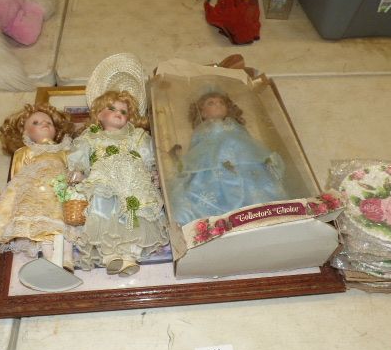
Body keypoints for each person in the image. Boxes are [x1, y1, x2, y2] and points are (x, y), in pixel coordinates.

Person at [67, 90, 168, 276]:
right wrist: (78, 170)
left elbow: (149, 157)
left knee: (135, 215)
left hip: (134, 181)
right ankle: (110, 255)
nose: (118, 113)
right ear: (99, 114)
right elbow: (80, 155)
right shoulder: (91, 136)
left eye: (123, 111)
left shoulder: (137, 136)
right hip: (105, 180)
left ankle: (130, 255)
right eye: (112, 109)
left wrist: (155, 172)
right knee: (106, 211)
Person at [169, 91, 289, 226]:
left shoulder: (235, 126)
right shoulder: (202, 130)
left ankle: (263, 214)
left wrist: (263, 156)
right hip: (214, 166)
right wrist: (185, 163)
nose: (218, 105)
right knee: (215, 190)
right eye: (211, 103)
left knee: (255, 188)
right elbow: (197, 150)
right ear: (202, 113)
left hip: (244, 164)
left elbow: (249, 143)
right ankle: (226, 219)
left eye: (221, 102)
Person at [0, 103, 74, 269]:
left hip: (60, 192)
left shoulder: (64, 150)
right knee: (44, 230)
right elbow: (17, 177)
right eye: (36, 123)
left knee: (66, 226)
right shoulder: (25, 152)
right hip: (36, 195)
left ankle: (67, 259)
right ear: (25, 132)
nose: (44, 124)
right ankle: (51, 261)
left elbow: (72, 168)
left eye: (49, 122)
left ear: (56, 129)